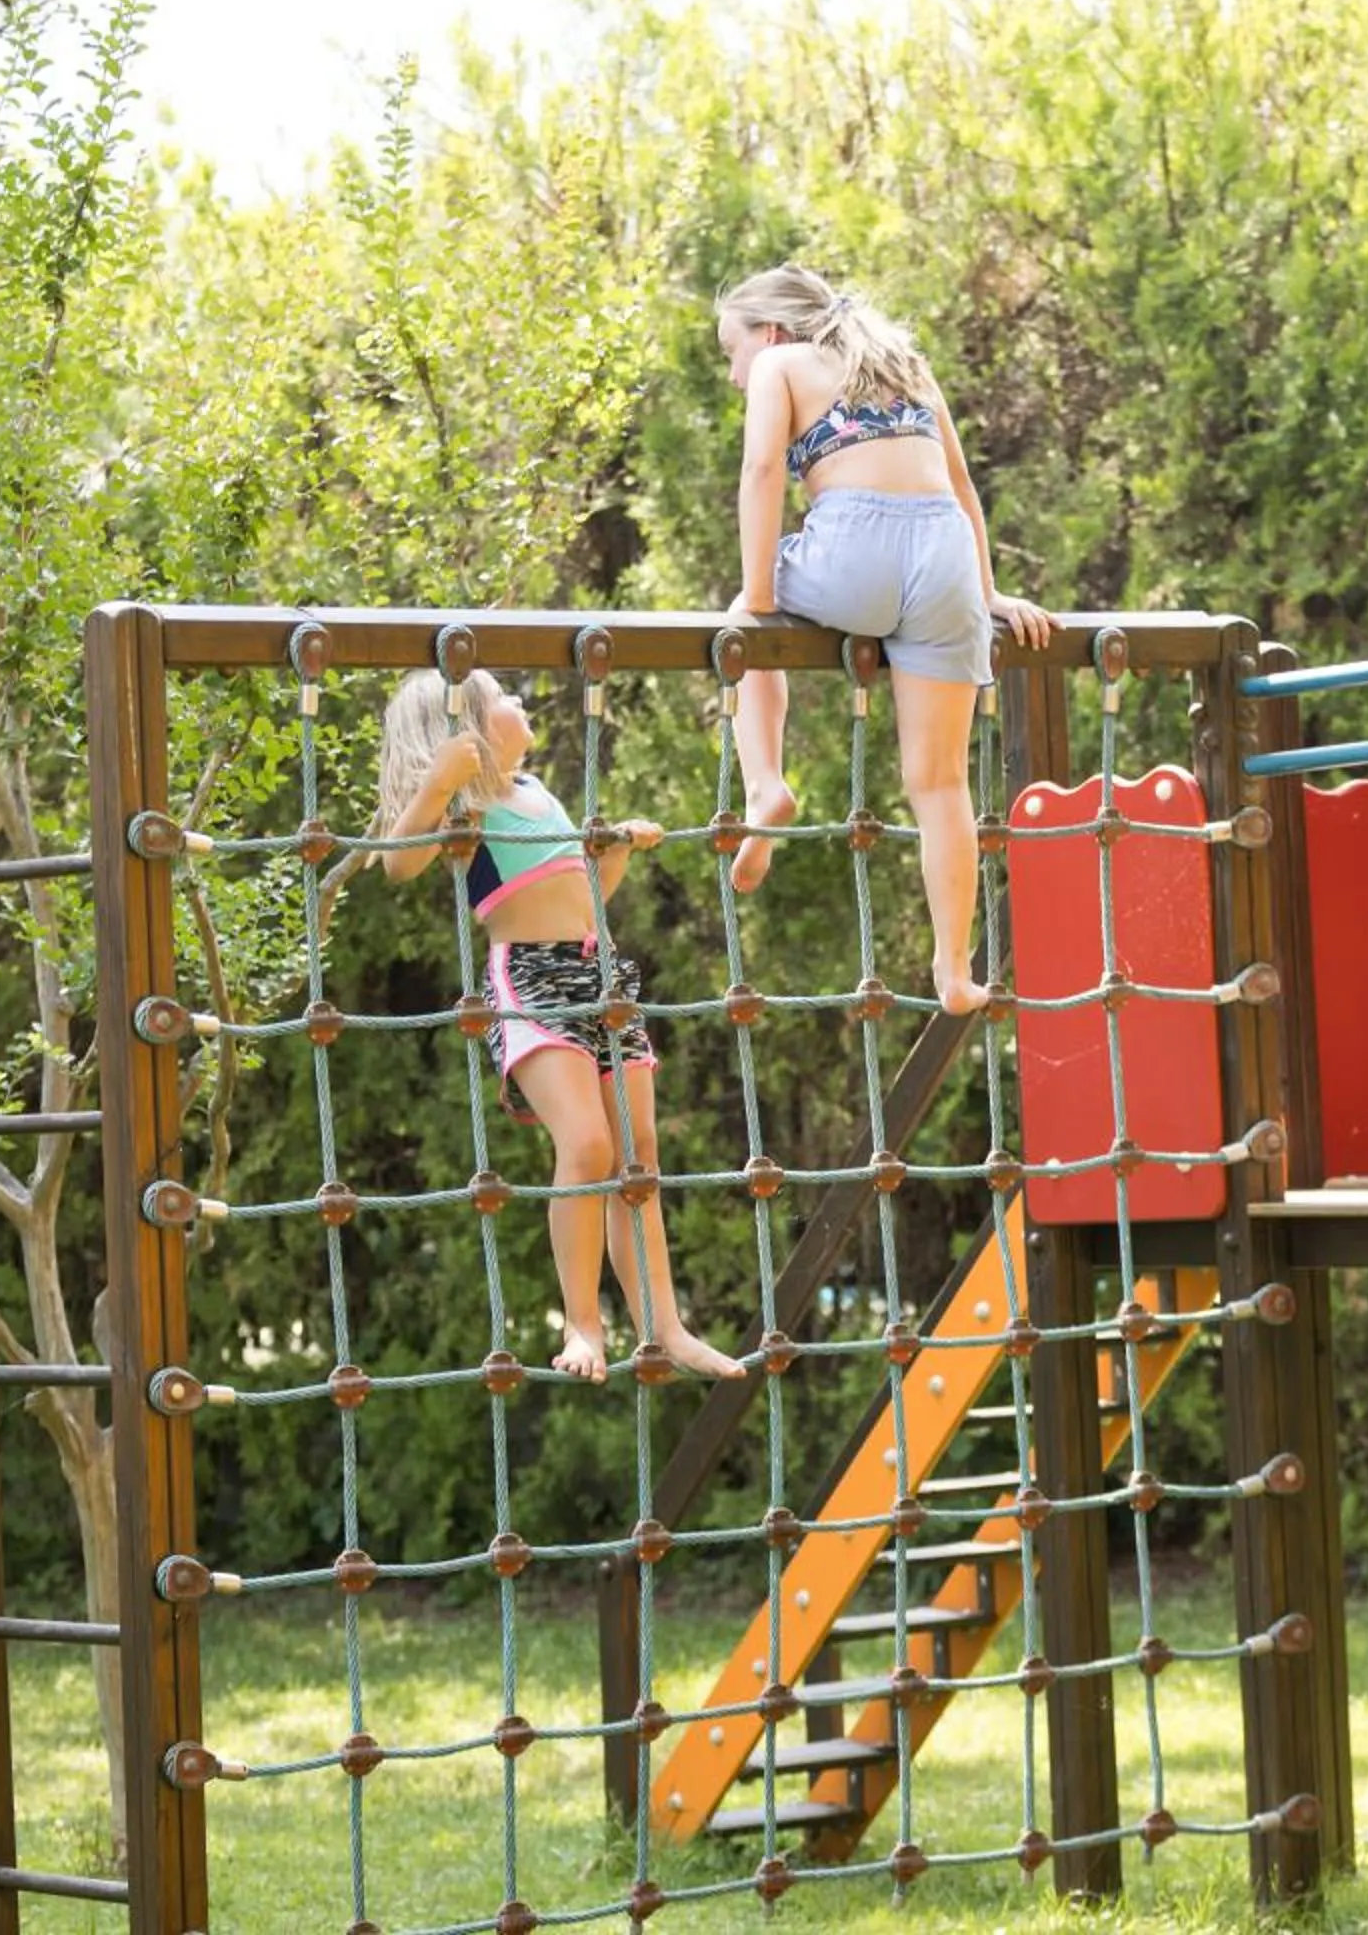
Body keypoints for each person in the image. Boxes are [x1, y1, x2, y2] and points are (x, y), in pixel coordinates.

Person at [370, 667, 745, 1383]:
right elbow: (398, 865)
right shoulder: (466, 808)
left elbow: (584, 901)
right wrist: (439, 783)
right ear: (467, 732)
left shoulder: (539, 793)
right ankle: (582, 1323)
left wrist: (615, 855)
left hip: (597, 972)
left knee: (637, 1156)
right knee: (587, 1145)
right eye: (502, 698)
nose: (518, 701)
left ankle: (664, 1326)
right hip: (531, 979)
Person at [713, 263, 1055, 1016]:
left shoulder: (779, 364)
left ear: (771, 332)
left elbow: (762, 469)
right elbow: (960, 486)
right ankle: (955, 971)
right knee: (941, 783)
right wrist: (988, 594)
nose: (735, 373)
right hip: (946, 561)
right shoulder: (903, 361)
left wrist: (761, 596)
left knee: (743, 618)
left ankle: (766, 785)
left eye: (731, 350)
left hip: (852, 550)